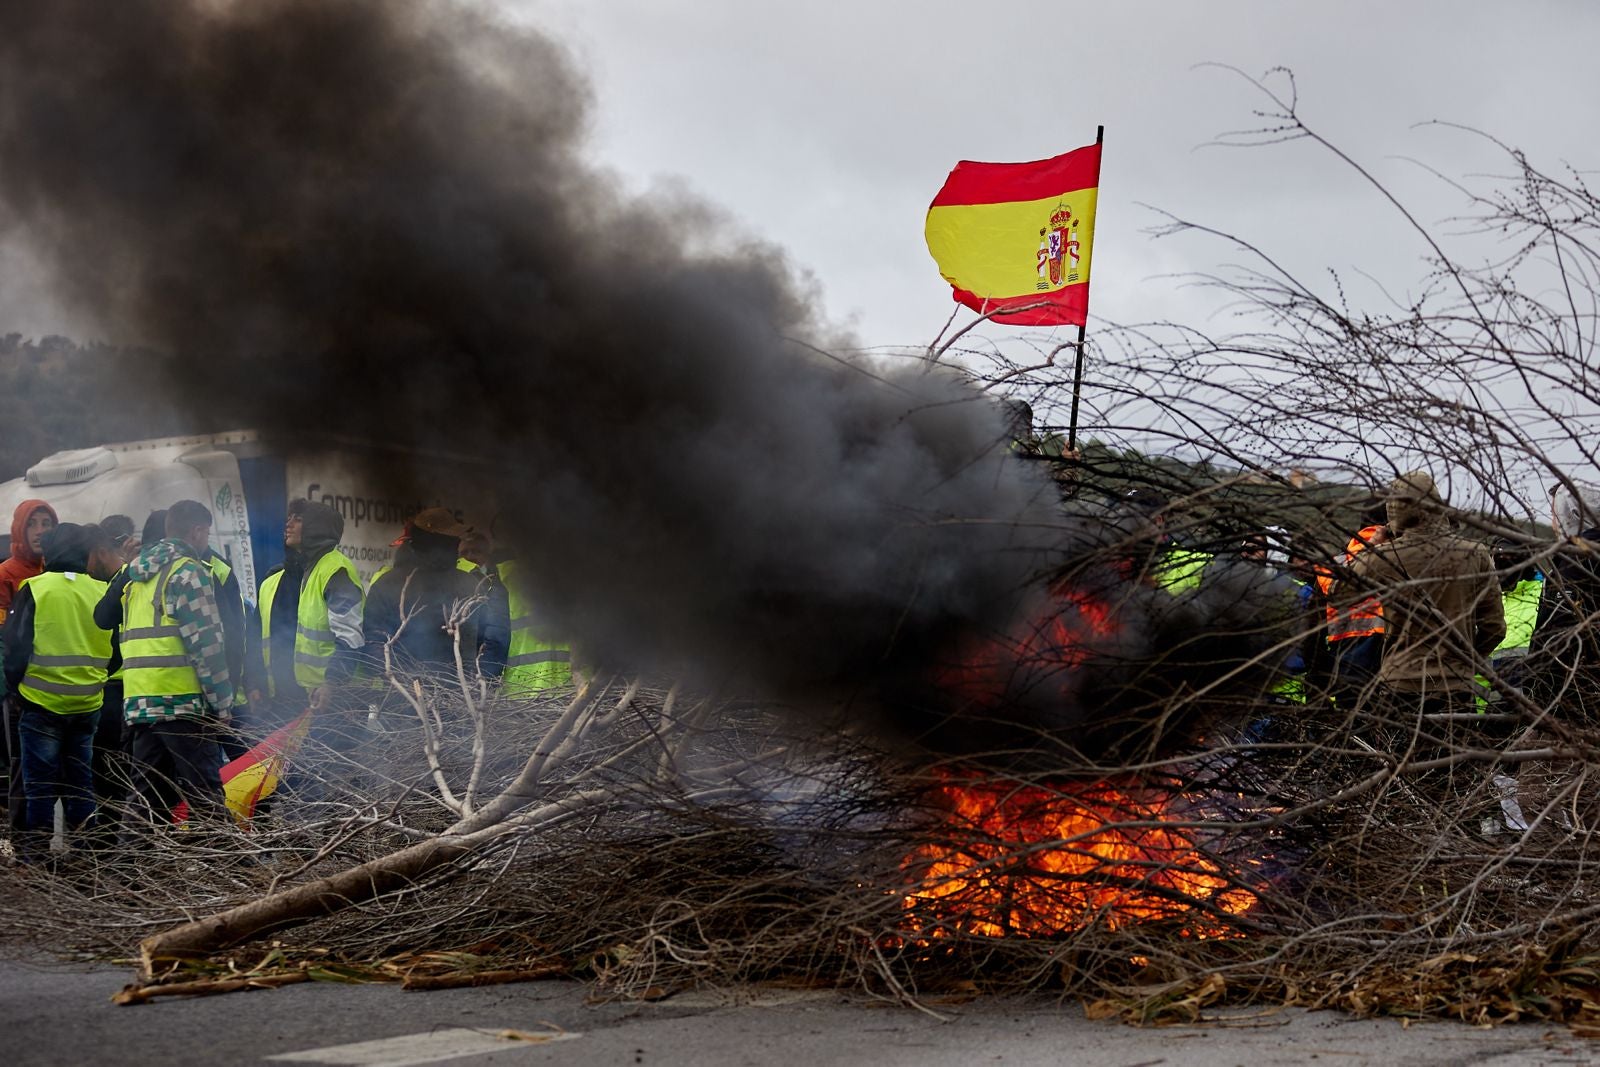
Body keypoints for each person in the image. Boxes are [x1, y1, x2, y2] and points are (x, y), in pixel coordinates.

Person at [1344, 472, 1505, 806]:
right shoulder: (1474, 554)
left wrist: (1373, 547)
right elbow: (1494, 628)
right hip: (1456, 693)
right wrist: (1463, 659)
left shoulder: (1389, 557)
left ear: (1395, 510)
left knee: (1400, 790)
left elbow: (1340, 590)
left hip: (1399, 688)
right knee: (1455, 791)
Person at [115, 500, 235, 834]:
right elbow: (207, 646)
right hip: (180, 702)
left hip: (140, 701)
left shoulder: (136, 576)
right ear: (197, 531)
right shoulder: (189, 572)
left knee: (145, 794)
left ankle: (125, 871)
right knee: (206, 791)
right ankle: (234, 870)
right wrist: (222, 703)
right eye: (206, 533)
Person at [2, 524, 119, 863]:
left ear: (50, 552)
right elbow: (114, 653)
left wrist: (16, 690)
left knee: (39, 786)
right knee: (81, 782)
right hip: (88, 703)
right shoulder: (101, 590)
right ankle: (86, 855)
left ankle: (37, 860)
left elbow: (15, 646)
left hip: (41, 704)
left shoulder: (36, 589)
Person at [249, 499, 363, 717]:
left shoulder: (336, 571)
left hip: (326, 705)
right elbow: (254, 637)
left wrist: (332, 683)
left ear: (317, 529)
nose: (288, 524)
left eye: (298, 519)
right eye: (289, 518)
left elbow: (350, 637)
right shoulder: (272, 579)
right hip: (277, 704)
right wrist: (254, 684)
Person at [364, 508, 484, 676]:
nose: (454, 547)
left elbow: (482, 641)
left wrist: (473, 678)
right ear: (430, 543)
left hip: (458, 692)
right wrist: (396, 677)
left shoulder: (468, 583)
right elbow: (373, 639)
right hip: (401, 692)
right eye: (449, 542)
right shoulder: (389, 585)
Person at [1316, 502, 1389, 706]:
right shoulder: (1399, 558)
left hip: (1346, 650)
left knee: (1353, 717)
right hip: (1389, 647)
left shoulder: (1334, 563)